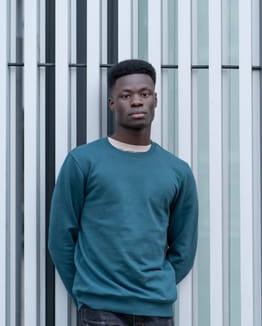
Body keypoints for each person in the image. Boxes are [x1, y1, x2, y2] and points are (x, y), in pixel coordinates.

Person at [48, 59, 198, 326]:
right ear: (112, 104)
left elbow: (184, 247)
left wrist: (155, 286)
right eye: (126, 95)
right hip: (99, 309)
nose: (137, 101)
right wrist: (87, 292)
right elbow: (60, 238)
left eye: (144, 94)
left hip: (157, 310)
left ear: (155, 100)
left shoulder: (177, 171)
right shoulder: (82, 162)